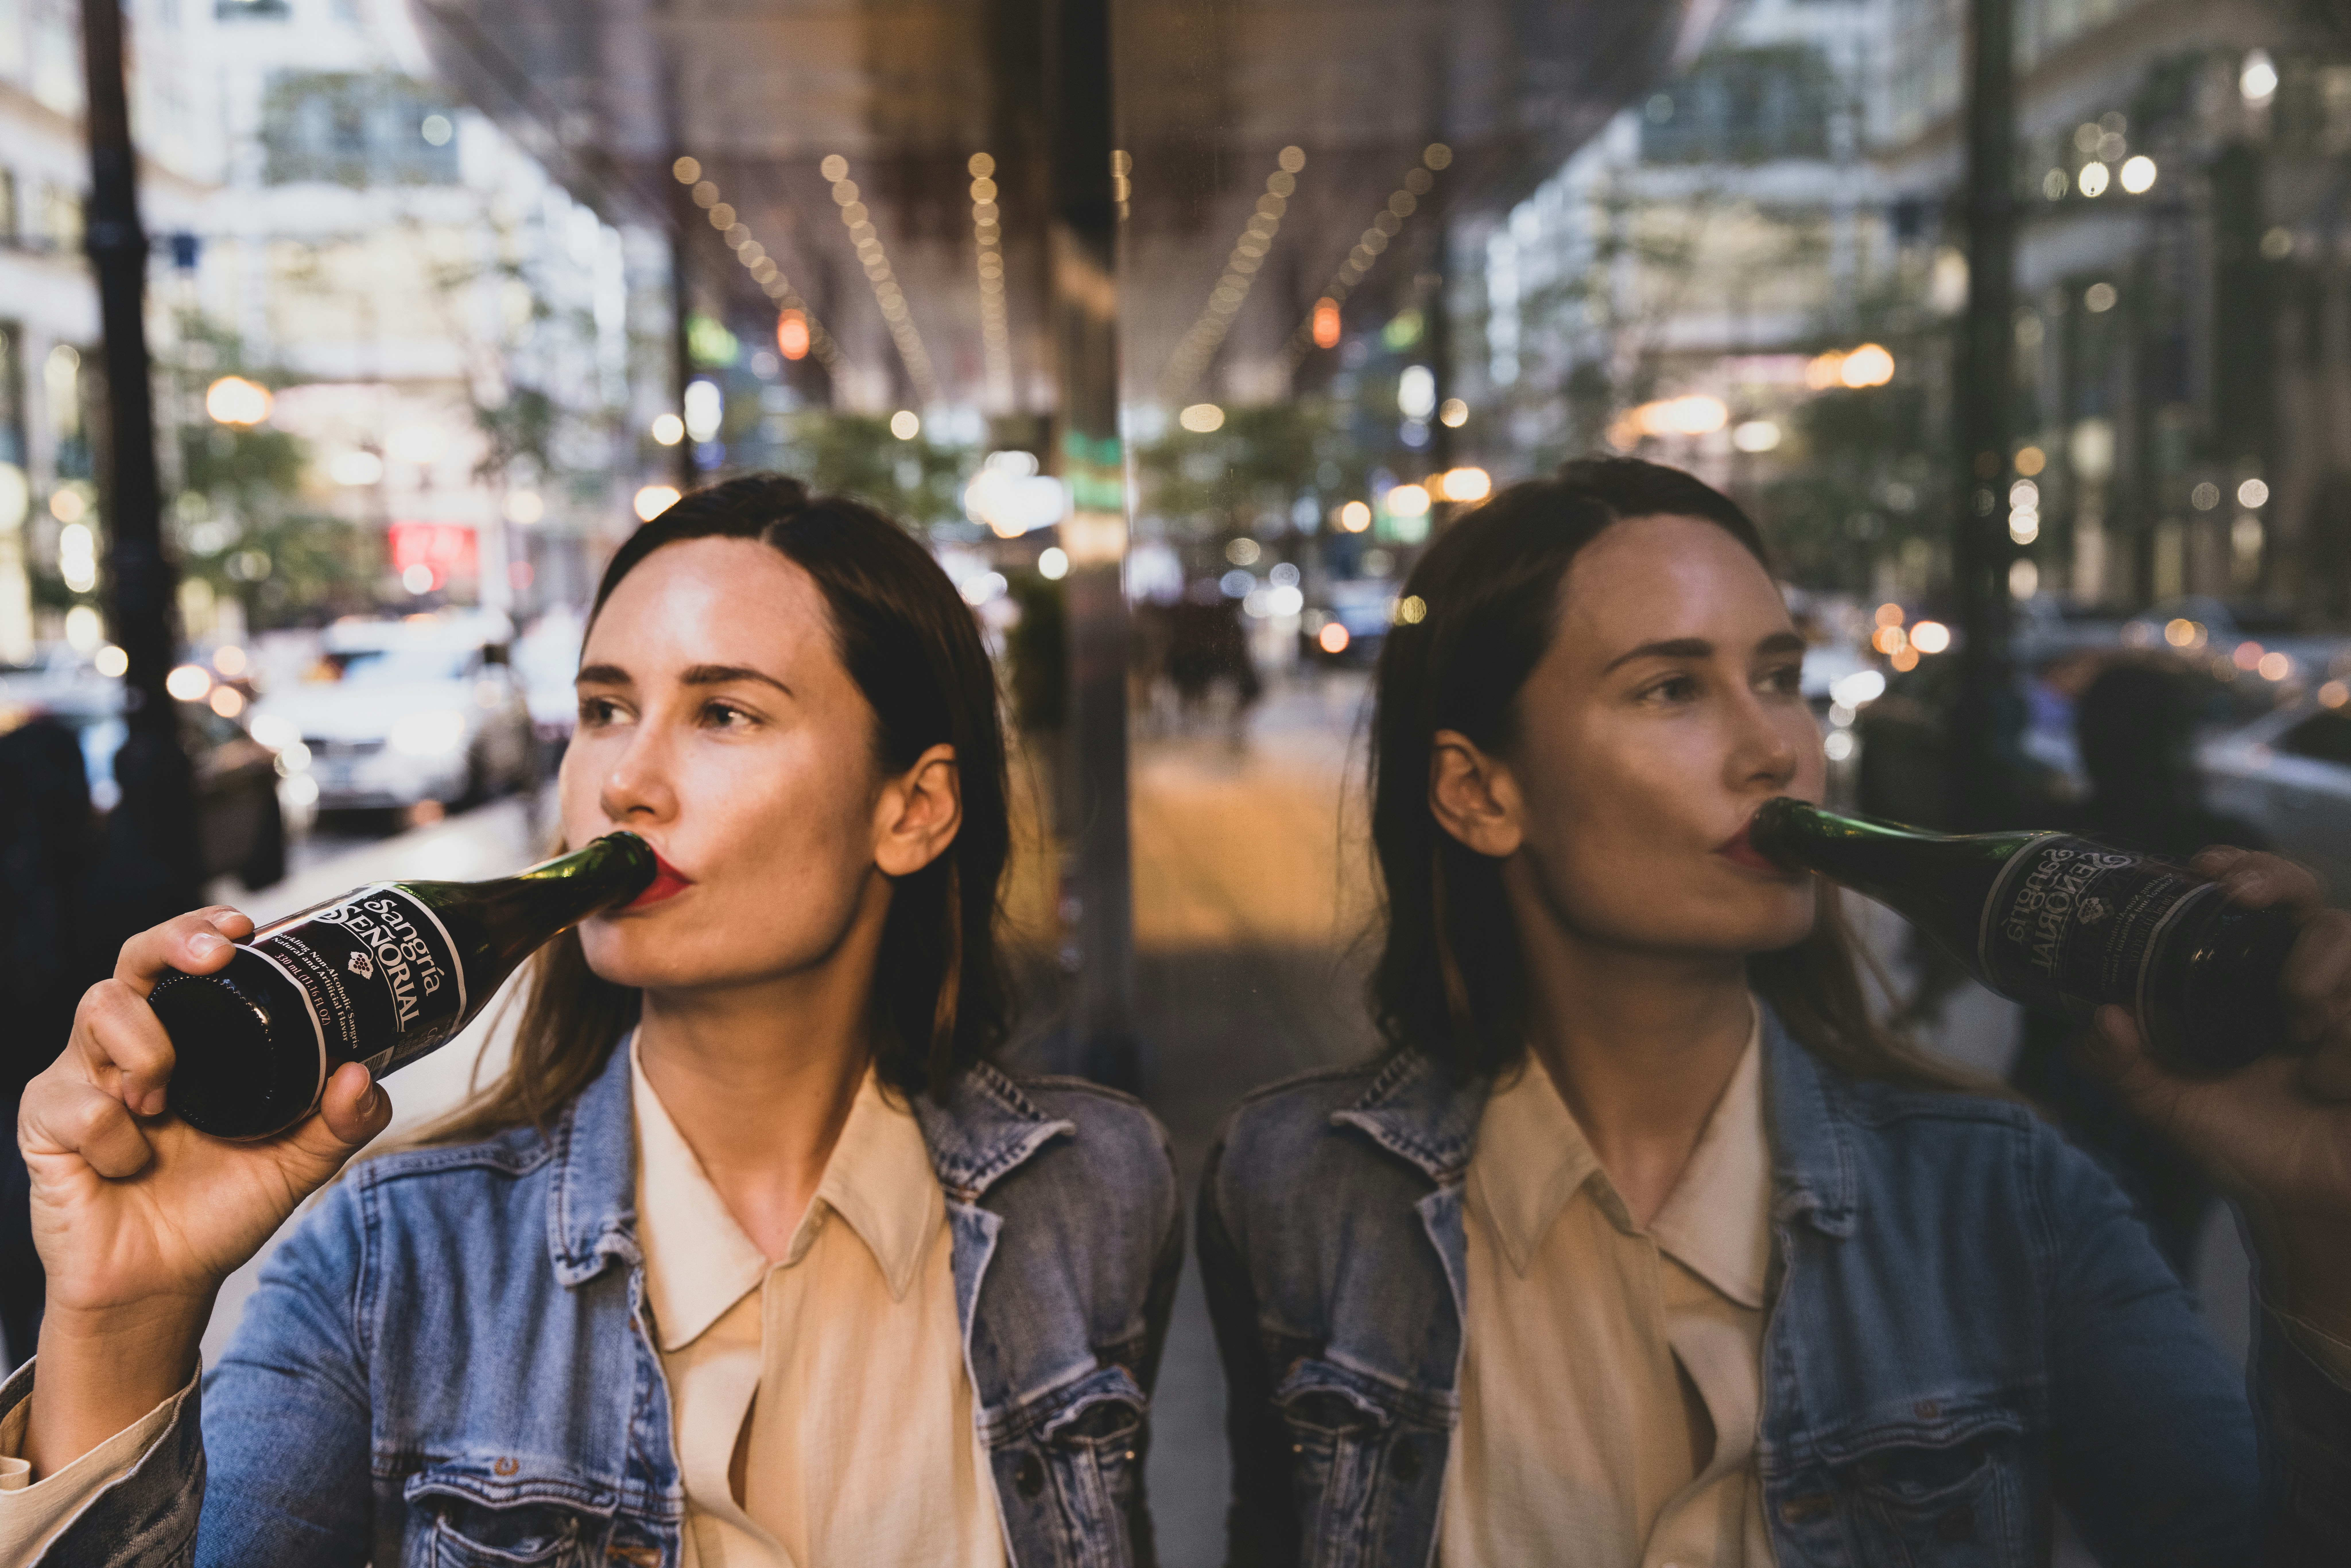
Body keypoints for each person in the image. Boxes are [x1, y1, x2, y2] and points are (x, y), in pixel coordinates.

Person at [6, 475, 1183, 1567]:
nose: (624, 779)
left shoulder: (1090, 1192)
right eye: (604, 706)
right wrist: (121, 1324)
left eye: (723, 712)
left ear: (913, 808)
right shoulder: (390, 1261)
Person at [1197, 457, 2351, 1567]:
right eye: (1669, 688)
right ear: (1478, 791)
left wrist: (2315, 1236)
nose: (1775, 750)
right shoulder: (1301, 1188)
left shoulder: (1998, 1200)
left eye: (1779, 677)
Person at [2009, 659, 2267, 1278]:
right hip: (2177, 1114)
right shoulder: (2223, 849)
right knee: (2161, 1272)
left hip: (2072, 1087)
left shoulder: (2063, 846)